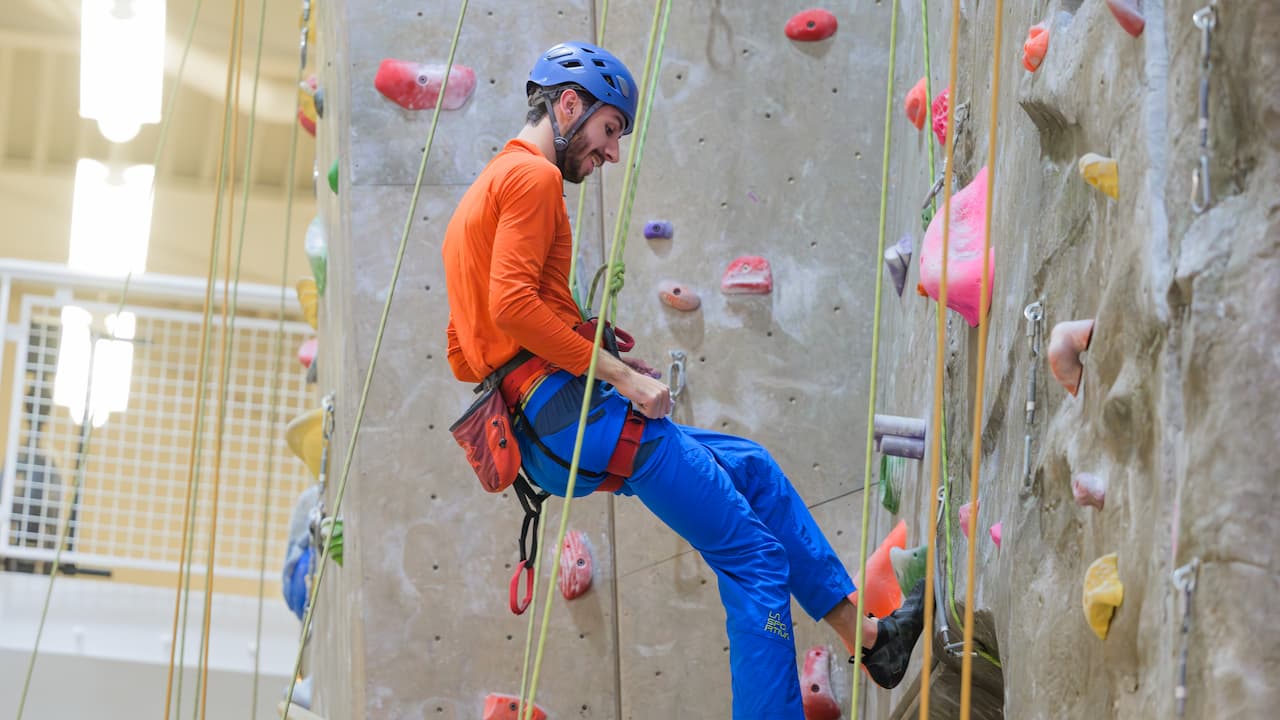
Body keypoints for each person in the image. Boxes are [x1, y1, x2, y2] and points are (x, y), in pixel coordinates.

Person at [442, 41, 928, 719]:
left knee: (751, 470)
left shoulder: (483, 193)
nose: (613, 152)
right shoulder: (533, 179)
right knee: (756, 562)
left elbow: (467, 352)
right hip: (574, 418)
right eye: (610, 129)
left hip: (545, 426)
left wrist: (589, 347)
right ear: (569, 104)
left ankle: (872, 641)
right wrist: (621, 378)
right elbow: (514, 309)